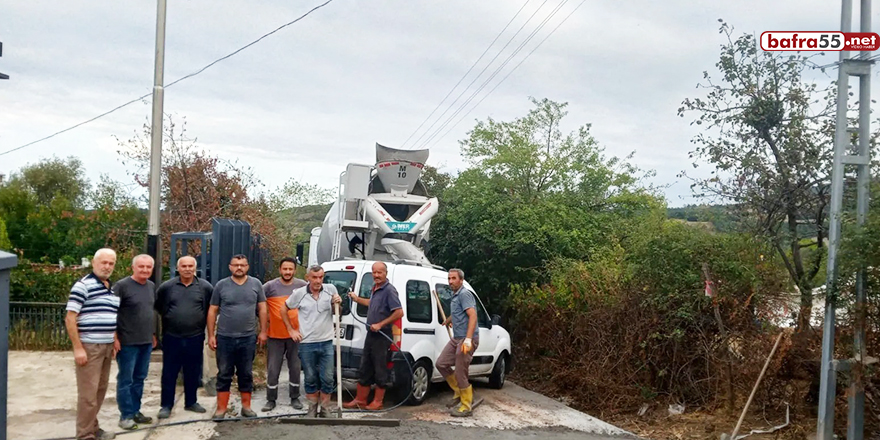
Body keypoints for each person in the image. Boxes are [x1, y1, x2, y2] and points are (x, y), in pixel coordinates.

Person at [65, 248, 120, 440]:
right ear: (94, 263)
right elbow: (70, 318)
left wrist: (113, 340)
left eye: (111, 263)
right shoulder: (83, 286)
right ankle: (84, 435)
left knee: (99, 391)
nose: (107, 266)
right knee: (88, 395)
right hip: (90, 347)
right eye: (103, 262)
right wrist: (78, 348)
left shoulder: (109, 288)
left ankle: (93, 428)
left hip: (105, 347)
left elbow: (109, 317)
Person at [207, 254, 268, 419]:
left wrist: (263, 331)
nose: (239, 268)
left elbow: (262, 308)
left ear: (247, 267)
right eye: (236, 265)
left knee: (246, 373)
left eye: (242, 265)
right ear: (230, 267)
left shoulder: (256, 284)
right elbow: (212, 310)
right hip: (225, 337)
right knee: (224, 373)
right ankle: (221, 409)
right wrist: (211, 335)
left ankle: (246, 407)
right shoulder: (221, 285)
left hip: (248, 338)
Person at [155, 256, 213, 419]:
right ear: (177, 268)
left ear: (195, 268)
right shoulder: (167, 287)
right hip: (172, 336)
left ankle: (191, 402)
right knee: (169, 372)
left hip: (195, 336)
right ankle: (166, 405)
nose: (187, 269)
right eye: (184, 266)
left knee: (193, 371)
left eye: (190, 266)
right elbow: (159, 308)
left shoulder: (205, 287)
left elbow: (210, 310)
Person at [280, 265, 342, 418]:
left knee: (328, 378)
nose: (318, 281)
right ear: (308, 278)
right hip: (307, 343)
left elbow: (337, 313)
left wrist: (338, 304)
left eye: (321, 277)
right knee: (310, 377)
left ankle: (325, 409)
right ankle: (312, 409)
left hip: (326, 341)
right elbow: (284, 309)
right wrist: (291, 330)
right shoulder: (299, 294)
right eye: (314, 277)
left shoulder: (331, 289)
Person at [343, 262, 403, 411]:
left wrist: (381, 324)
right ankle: (360, 400)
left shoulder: (390, 290)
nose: (376, 275)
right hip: (371, 334)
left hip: (382, 336)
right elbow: (371, 303)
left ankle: (378, 402)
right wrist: (357, 299)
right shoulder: (375, 288)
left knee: (380, 368)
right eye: (374, 272)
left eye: (379, 273)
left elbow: (399, 312)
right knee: (365, 367)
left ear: (385, 273)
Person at [112, 254, 158, 430]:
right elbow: (112, 313)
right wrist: (115, 338)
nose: (145, 270)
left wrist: (153, 334)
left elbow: (149, 312)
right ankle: (126, 415)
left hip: (145, 341)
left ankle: (136, 411)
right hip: (127, 342)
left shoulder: (151, 286)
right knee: (126, 379)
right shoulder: (122, 286)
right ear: (133, 267)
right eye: (141, 267)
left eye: (148, 267)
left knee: (140, 378)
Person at [262, 257, 307, 411]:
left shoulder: (302, 286)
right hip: (275, 335)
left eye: (290, 269)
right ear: (280, 270)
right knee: (273, 368)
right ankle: (271, 399)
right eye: (284, 269)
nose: (287, 272)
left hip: (296, 336)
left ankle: (295, 397)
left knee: (295, 367)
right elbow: (259, 303)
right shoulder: (269, 287)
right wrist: (265, 318)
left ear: (295, 270)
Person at [436, 268, 479, 417]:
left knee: (461, 371)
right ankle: (459, 392)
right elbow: (458, 313)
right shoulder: (455, 295)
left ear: (461, 280)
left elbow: (472, 316)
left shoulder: (464, 294)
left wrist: (468, 339)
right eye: (449, 279)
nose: (450, 282)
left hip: (467, 339)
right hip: (457, 338)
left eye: (453, 278)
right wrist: (448, 320)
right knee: (441, 363)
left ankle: (467, 405)